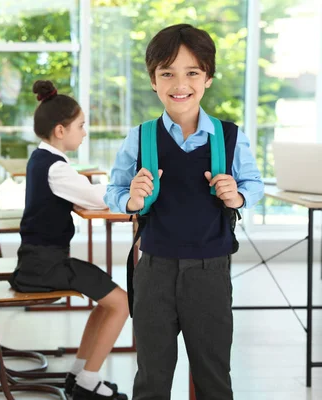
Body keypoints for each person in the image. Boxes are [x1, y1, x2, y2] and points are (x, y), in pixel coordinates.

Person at [105, 24, 264, 400]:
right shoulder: (141, 137)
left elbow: (254, 183)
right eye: (167, 73)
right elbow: (113, 190)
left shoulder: (228, 136)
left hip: (210, 273)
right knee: (152, 377)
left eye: (192, 72)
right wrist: (131, 199)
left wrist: (237, 196)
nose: (180, 83)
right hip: (154, 270)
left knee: (212, 375)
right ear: (154, 81)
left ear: (207, 78)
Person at [9, 80, 129, 400]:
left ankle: (78, 375)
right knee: (120, 302)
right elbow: (94, 199)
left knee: (107, 302)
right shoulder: (56, 168)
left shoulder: (43, 158)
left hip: (39, 260)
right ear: (60, 131)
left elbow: (85, 196)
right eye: (81, 126)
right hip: (44, 265)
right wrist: (130, 189)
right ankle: (88, 382)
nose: (84, 132)